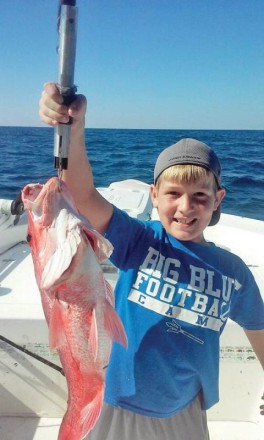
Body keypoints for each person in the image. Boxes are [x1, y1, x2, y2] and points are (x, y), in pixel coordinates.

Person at [39, 83, 264, 440]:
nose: (186, 207)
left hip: (185, 409)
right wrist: (73, 128)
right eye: (173, 193)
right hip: (116, 399)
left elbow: (258, 328)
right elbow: (81, 196)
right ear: (154, 196)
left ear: (218, 199)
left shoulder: (233, 272)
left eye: (200, 196)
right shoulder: (140, 241)